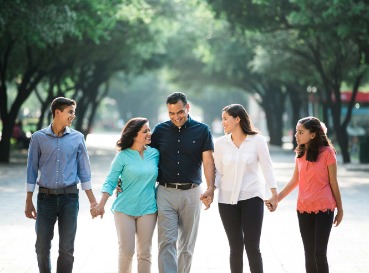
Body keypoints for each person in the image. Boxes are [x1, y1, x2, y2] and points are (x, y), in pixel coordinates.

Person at [24, 97, 98, 273]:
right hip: (45, 198)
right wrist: (28, 201)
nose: (73, 115)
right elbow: (31, 171)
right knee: (41, 247)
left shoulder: (78, 138)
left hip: (69, 198)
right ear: (58, 112)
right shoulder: (38, 138)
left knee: (66, 249)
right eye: (70, 112)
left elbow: (84, 172)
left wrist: (93, 202)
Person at [265, 116, 344, 273]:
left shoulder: (328, 152)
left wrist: (340, 210)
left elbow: (334, 182)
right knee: (309, 254)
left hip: (324, 208)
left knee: (319, 253)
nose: (296, 135)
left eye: (301, 132)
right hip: (303, 208)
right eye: (296, 131)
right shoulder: (300, 153)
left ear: (313, 134)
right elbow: (295, 180)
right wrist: (276, 199)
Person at [150, 92, 215, 273]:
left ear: (187, 108)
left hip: (192, 193)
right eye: (171, 113)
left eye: (179, 112)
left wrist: (211, 188)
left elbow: (208, 161)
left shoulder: (202, 130)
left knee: (186, 245)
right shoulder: (160, 131)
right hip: (165, 192)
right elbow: (146, 157)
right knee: (166, 242)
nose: (176, 117)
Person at [211, 104, 278, 273]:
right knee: (235, 247)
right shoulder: (220, 144)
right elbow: (218, 173)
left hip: (252, 198)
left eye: (226, 118)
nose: (223, 122)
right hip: (226, 201)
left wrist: (274, 195)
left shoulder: (257, 140)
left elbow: (267, 168)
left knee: (252, 247)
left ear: (237, 119)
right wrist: (210, 190)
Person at [91, 117, 159, 273]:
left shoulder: (155, 154)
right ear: (134, 135)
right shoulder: (122, 156)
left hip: (148, 208)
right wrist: (101, 204)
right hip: (124, 209)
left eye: (149, 130)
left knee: (145, 253)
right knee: (127, 251)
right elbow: (110, 181)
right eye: (145, 131)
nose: (149, 133)